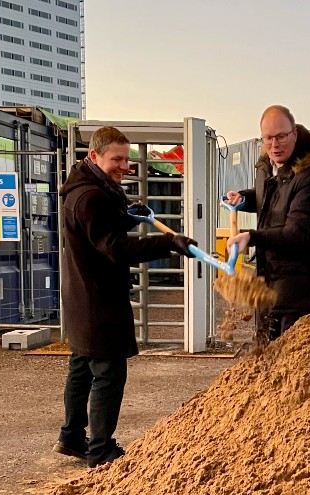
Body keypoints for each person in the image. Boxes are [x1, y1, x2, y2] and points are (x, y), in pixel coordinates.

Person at [55, 126, 195, 467]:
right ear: (94, 156)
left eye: (126, 159)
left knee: (81, 368)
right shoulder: (90, 198)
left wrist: (126, 216)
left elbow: (102, 231)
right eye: (116, 159)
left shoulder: (87, 189)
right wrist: (169, 242)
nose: (123, 166)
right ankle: (101, 451)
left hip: (81, 294)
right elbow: (114, 248)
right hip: (97, 299)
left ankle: (72, 436)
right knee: (107, 371)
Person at [224, 105, 310, 339]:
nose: (274, 144)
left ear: (294, 133)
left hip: (300, 286)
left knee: (290, 360)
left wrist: (252, 237)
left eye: (281, 136)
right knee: (265, 353)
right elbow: (271, 197)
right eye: (268, 138)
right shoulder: (268, 167)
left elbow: (297, 233)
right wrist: (244, 197)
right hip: (270, 278)